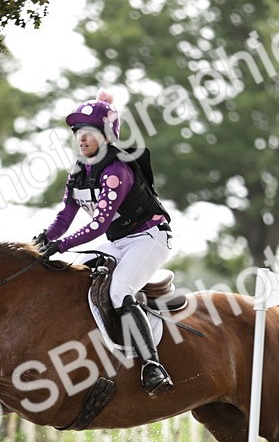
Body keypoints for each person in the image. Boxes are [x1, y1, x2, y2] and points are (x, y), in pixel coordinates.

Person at [34, 90, 174, 395]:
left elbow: (98, 225)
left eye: (88, 132)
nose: (81, 139)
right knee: (70, 273)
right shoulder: (78, 172)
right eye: (77, 132)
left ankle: (152, 365)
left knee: (120, 289)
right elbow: (66, 215)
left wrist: (61, 244)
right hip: (118, 241)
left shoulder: (116, 171)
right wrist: (45, 238)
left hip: (149, 237)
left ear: (107, 136)